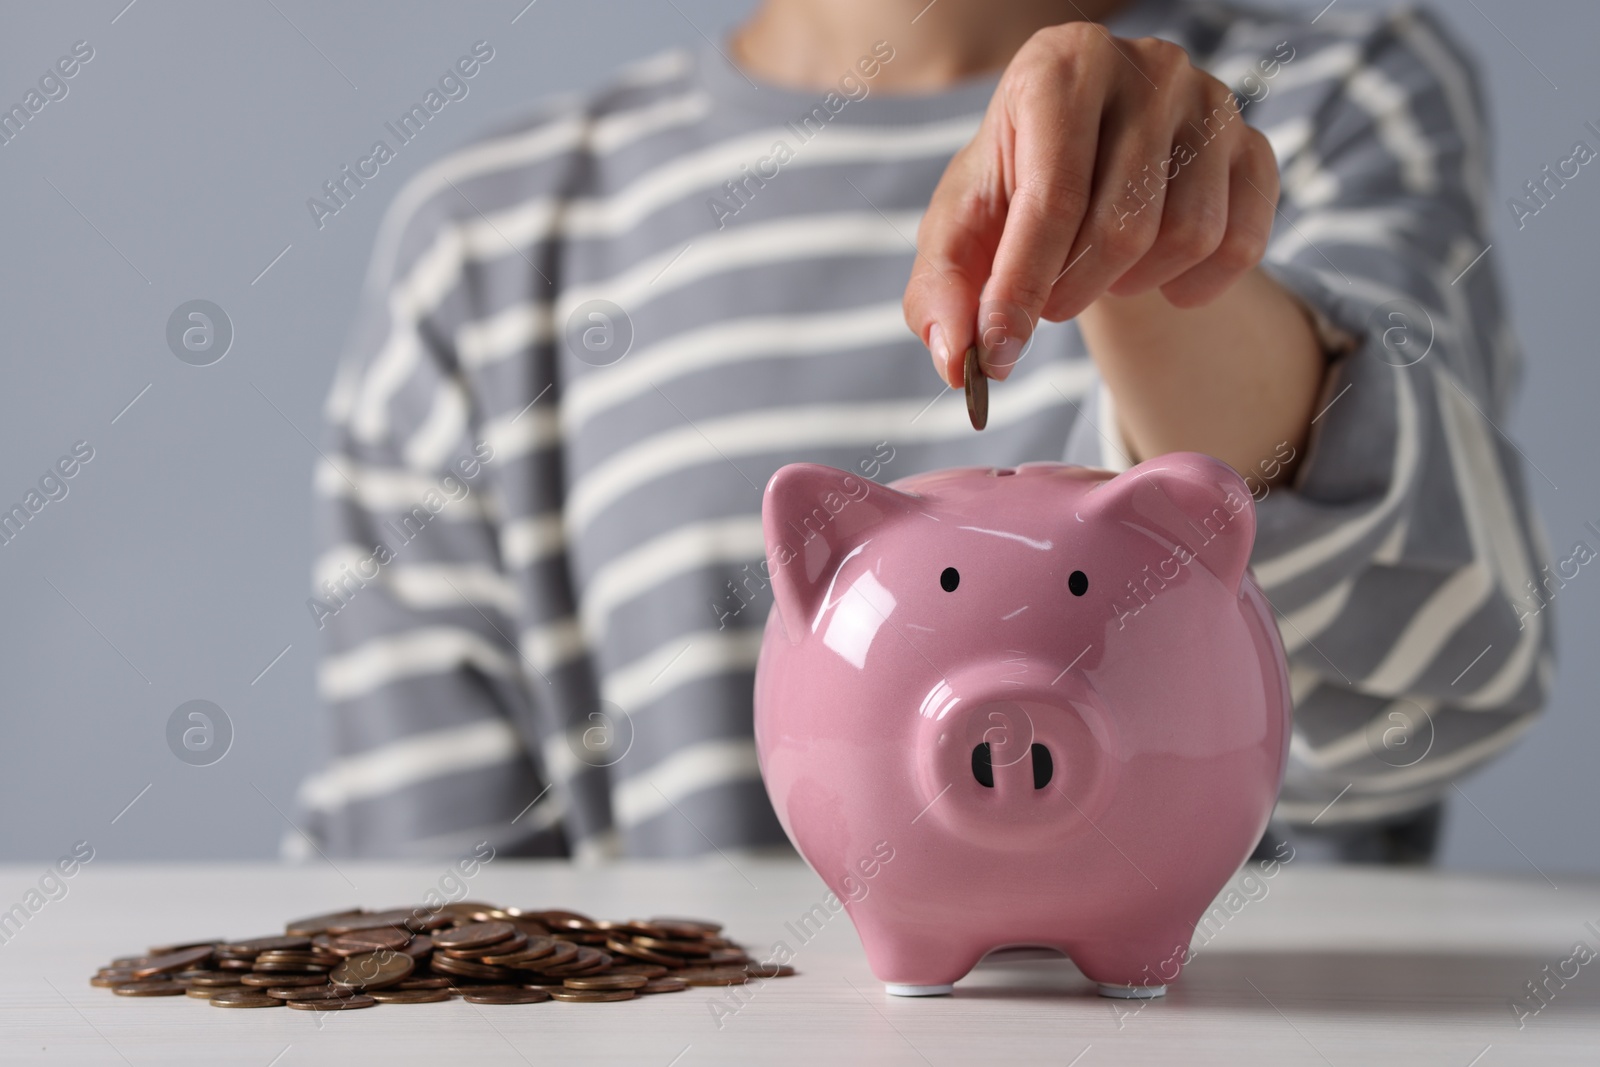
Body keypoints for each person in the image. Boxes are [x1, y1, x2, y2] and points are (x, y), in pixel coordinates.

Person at [298, 0, 1553, 864]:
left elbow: (1424, 694)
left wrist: (1155, 261)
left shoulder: (1332, 92)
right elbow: (435, 903)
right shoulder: (486, 247)